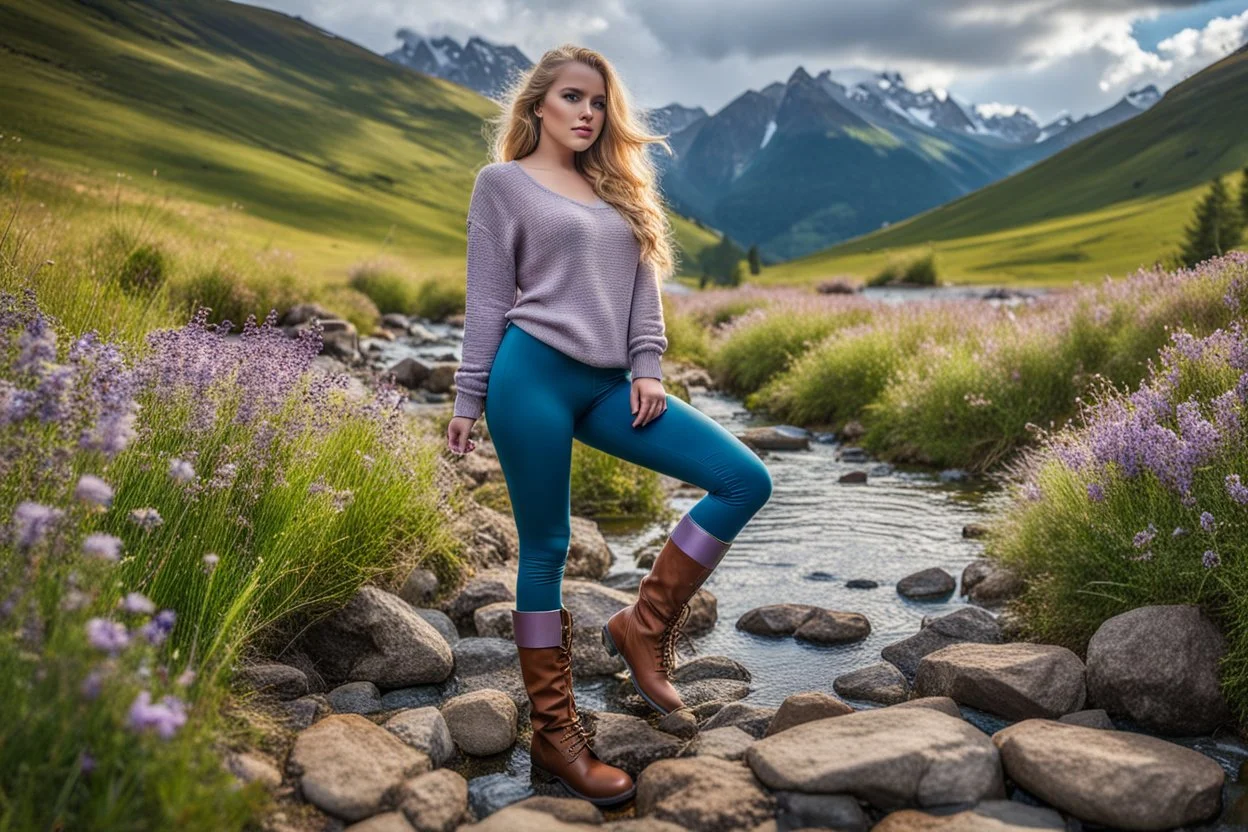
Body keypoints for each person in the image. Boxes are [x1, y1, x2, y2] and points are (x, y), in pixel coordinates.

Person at [445, 44, 773, 806]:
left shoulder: (618, 186)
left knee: (742, 479)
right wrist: (467, 399)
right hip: (529, 377)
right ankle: (555, 734)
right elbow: (489, 298)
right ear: (537, 106)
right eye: (571, 97)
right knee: (548, 547)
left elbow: (641, 288)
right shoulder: (502, 184)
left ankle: (643, 626)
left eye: (597, 101)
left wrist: (649, 365)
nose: (587, 112)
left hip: (608, 384)